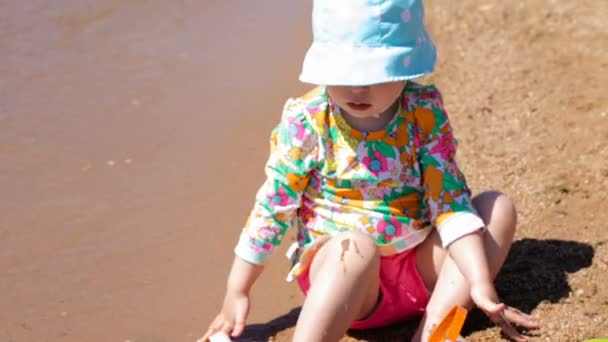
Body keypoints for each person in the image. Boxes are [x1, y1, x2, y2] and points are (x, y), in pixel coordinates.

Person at [202, 0, 540, 341]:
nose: (357, 89)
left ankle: (435, 326)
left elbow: (449, 200)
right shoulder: (308, 120)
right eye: (344, 72)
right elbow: (273, 207)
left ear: (406, 67)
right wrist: (238, 289)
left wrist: (480, 281)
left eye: (374, 73)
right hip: (346, 286)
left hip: (420, 272)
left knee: (496, 208)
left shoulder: (423, 110)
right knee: (355, 247)